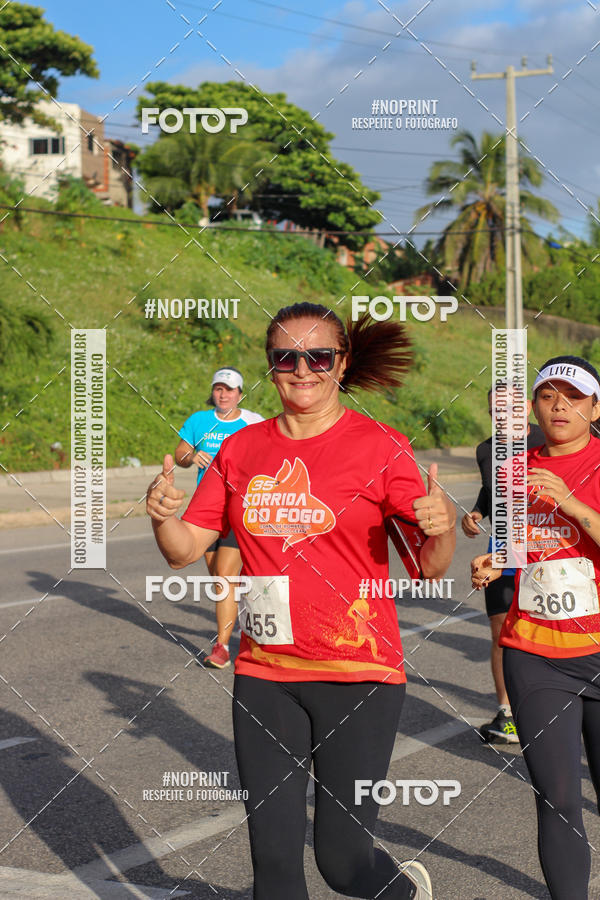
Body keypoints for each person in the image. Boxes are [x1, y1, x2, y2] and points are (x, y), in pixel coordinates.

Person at [148, 302, 456, 900]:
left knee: (343, 865)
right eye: (286, 357)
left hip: (358, 675)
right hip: (266, 673)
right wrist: (162, 516)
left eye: (318, 356)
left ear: (341, 364)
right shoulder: (241, 450)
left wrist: (440, 527)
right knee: (273, 866)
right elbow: (184, 551)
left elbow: (428, 567)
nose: (302, 369)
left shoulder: (381, 446)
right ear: (270, 366)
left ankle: (403, 892)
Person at [471, 355, 600, 900]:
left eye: (573, 397)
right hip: (535, 651)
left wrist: (570, 502)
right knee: (557, 798)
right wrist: (496, 561)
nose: (559, 406)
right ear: (534, 407)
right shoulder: (514, 468)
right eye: (548, 396)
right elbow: (519, 545)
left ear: (595, 408)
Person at [462, 387, 544, 743]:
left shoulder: (548, 439)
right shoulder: (486, 450)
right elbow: (490, 490)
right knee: (501, 632)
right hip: (501, 550)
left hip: (545, 547)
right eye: (495, 411)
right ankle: (507, 714)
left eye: (510, 409)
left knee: (544, 628)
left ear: (526, 408)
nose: (502, 418)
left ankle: (553, 704)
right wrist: (476, 513)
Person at [175, 366, 263, 668]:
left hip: (239, 509)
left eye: (229, 390)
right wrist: (191, 456)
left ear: (240, 394)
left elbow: (270, 454)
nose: (223, 395)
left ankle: (222, 647)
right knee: (220, 579)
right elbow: (180, 454)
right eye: (218, 389)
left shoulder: (253, 422)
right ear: (213, 392)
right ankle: (248, 611)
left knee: (225, 576)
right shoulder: (199, 421)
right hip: (207, 511)